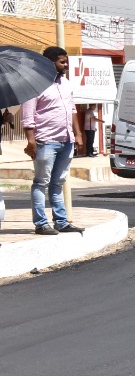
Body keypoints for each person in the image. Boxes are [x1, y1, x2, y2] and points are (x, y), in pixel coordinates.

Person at [19, 46, 86, 235]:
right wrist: (31, 141)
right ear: (50, 63)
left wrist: (78, 134)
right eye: (62, 62)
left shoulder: (66, 84)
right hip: (45, 141)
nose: (66, 65)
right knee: (41, 182)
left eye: (66, 62)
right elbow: (27, 116)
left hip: (66, 140)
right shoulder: (34, 85)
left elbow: (72, 109)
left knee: (58, 183)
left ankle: (61, 222)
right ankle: (41, 224)